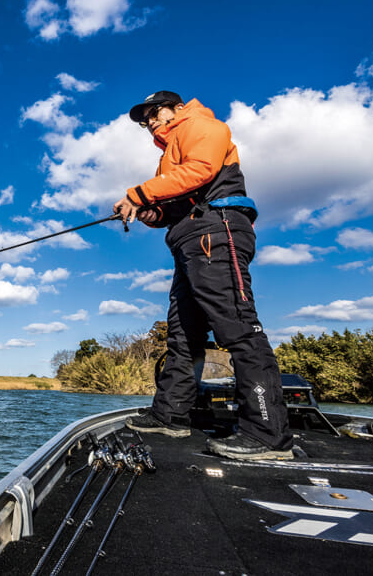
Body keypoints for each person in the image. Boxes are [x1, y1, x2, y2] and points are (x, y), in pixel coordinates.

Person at [114, 90, 293, 460]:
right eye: (144, 118)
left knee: (238, 328)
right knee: (182, 333)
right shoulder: (168, 155)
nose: (149, 120)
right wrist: (152, 213)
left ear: (176, 108)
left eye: (154, 112)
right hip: (191, 238)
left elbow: (200, 170)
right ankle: (170, 416)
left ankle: (267, 435)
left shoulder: (200, 125)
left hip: (217, 231)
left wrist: (138, 194)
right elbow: (176, 201)